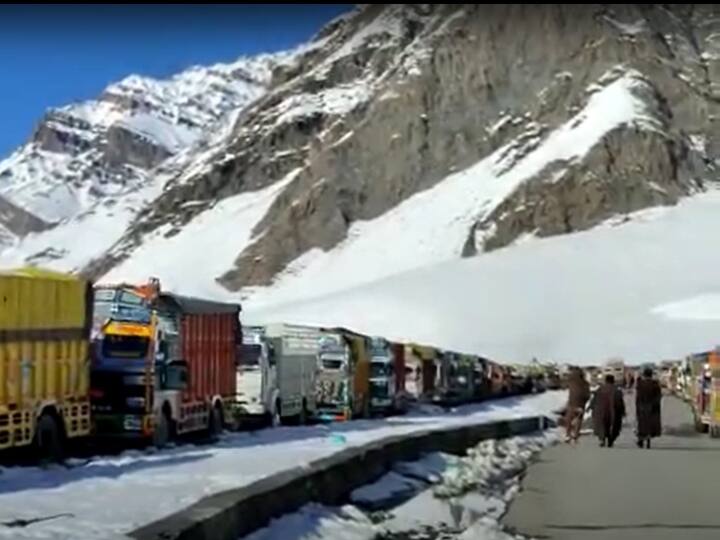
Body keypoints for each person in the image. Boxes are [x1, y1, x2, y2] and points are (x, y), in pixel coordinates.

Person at [592, 374, 626, 447]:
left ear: (605, 381)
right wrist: (622, 411)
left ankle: (602, 439)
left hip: (601, 411)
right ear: (613, 381)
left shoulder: (600, 389)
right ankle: (611, 440)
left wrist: (591, 407)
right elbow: (620, 402)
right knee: (614, 425)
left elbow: (594, 400)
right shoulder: (616, 390)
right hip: (613, 411)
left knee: (601, 425)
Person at [635, 367, 662, 449]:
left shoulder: (640, 384)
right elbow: (659, 396)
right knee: (651, 424)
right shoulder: (655, 384)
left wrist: (637, 406)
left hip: (642, 407)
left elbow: (638, 397)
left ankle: (641, 440)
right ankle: (648, 440)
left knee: (641, 424)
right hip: (652, 407)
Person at [565, 367, 590, 444]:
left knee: (569, 419)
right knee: (579, 420)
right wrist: (584, 402)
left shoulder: (571, 382)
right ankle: (575, 436)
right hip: (580, 404)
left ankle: (568, 434)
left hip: (571, 404)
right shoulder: (585, 383)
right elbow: (587, 395)